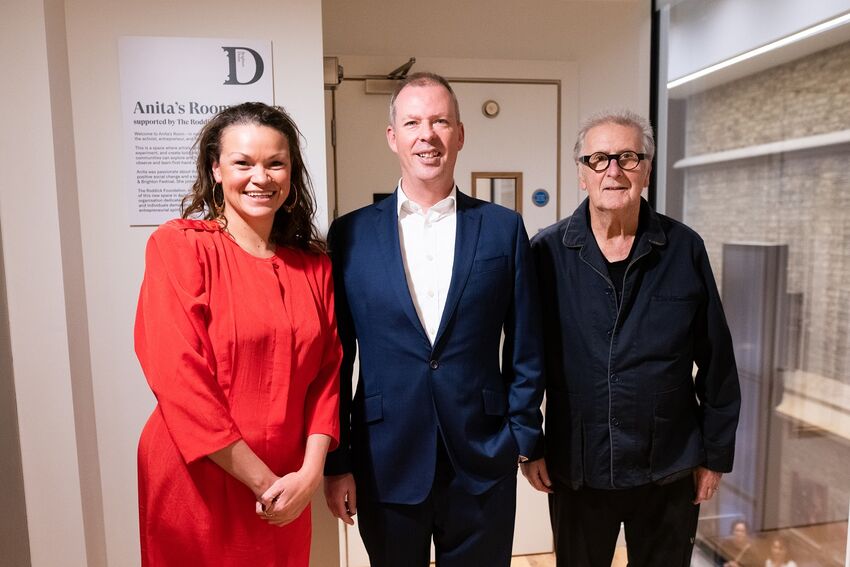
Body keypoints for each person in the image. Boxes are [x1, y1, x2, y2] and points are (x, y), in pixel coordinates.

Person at [322, 72, 545, 567]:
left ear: (460, 134)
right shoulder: (350, 234)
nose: (428, 135)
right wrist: (337, 462)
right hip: (385, 456)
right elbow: (337, 357)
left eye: (441, 121)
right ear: (392, 136)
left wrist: (523, 436)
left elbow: (526, 346)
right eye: (413, 123)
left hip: (482, 454)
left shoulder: (503, 229)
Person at [527, 109, 741, 566]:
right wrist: (529, 445)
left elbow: (717, 359)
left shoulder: (684, 248)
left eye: (628, 157)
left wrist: (715, 453)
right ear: (582, 174)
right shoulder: (545, 253)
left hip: (669, 466)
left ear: (646, 169)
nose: (613, 170)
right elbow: (526, 359)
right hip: (578, 466)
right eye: (598, 159)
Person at [134, 102, 341, 566]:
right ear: (216, 168)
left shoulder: (314, 267)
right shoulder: (179, 246)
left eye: (275, 163)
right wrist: (264, 484)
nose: (260, 178)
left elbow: (328, 376)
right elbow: (177, 375)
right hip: (198, 472)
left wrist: (310, 474)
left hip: (288, 478)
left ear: (291, 172)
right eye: (243, 162)